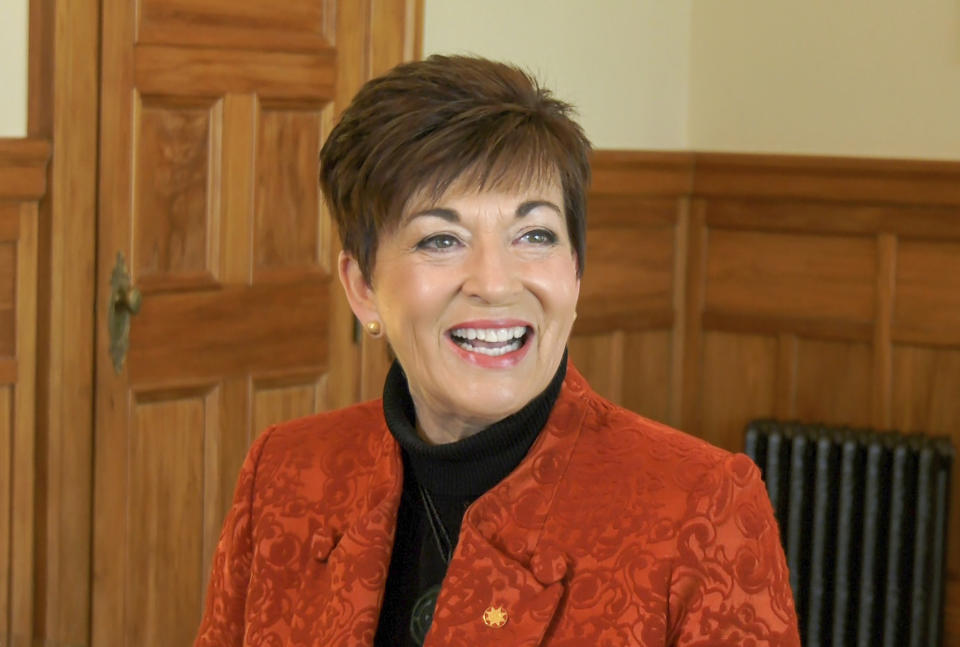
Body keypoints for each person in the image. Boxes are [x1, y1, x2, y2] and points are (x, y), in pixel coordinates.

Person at [194, 55, 800, 647]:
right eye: (442, 239)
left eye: (533, 235)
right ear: (362, 289)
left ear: (576, 271)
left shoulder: (702, 506)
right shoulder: (284, 473)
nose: (496, 282)